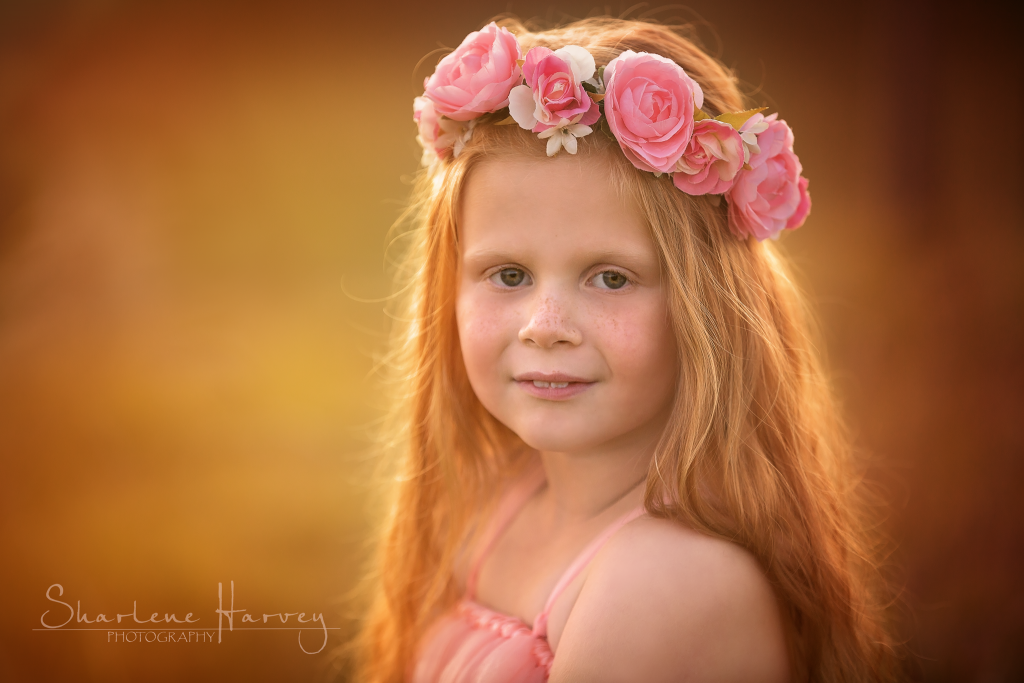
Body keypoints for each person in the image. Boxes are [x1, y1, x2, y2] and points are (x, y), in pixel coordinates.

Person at [354, 16, 900, 683]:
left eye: (611, 277)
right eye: (509, 274)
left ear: (707, 310)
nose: (544, 325)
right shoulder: (501, 497)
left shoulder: (668, 583)